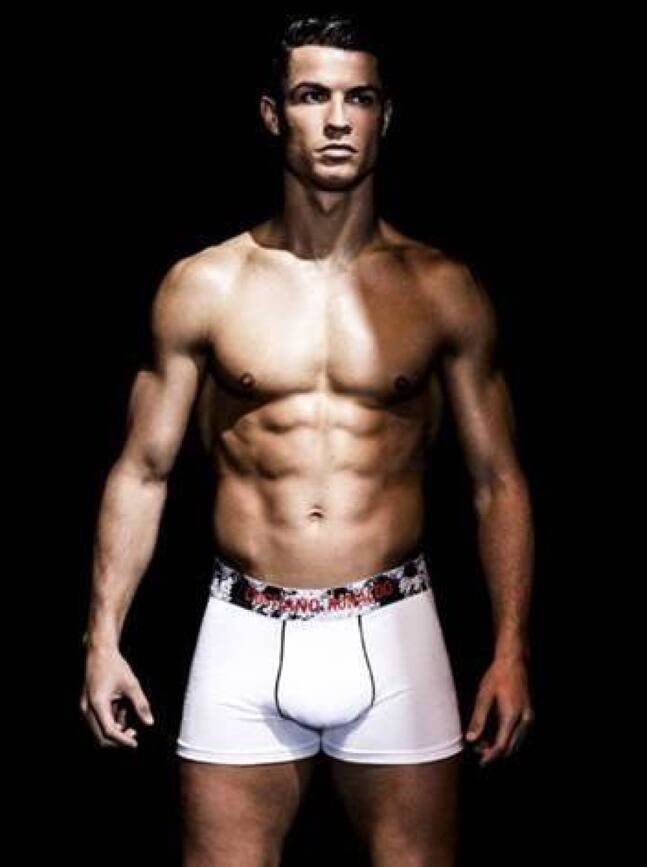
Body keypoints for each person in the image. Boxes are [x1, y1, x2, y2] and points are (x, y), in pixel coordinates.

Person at [80, 12, 535, 867]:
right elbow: (143, 471)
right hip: (244, 630)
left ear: (385, 116)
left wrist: (512, 647)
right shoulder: (206, 285)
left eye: (358, 99)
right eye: (311, 95)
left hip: (394, 626)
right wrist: (102, 638)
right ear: (271, 113)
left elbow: (497, 479)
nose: (335, 120)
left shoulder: (441, 289)